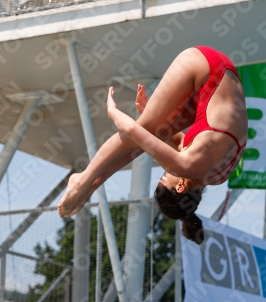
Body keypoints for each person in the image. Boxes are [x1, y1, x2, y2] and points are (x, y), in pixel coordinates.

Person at [57, 46, 247, 244]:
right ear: (181, 186)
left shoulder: (216, 177)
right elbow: (131, 130)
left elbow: (181, 142)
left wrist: (157, 111)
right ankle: (83, 182)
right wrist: (112, 111)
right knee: (142, 132)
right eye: (165, 175)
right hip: (204, 66)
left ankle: (92, 183)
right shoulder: (184, 165)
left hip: (226, 74)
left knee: (150, 135)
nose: (166, 170)